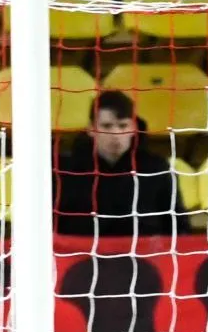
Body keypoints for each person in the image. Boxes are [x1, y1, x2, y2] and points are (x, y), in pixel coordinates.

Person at [55, 91, 186, 237]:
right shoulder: (66, 170)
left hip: (143, 257)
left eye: (123, 126)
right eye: (107, 126)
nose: (115, 134)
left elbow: (178, 226)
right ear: (91, 129)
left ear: (133, 128)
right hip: (82, 257)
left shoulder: (156, 169)